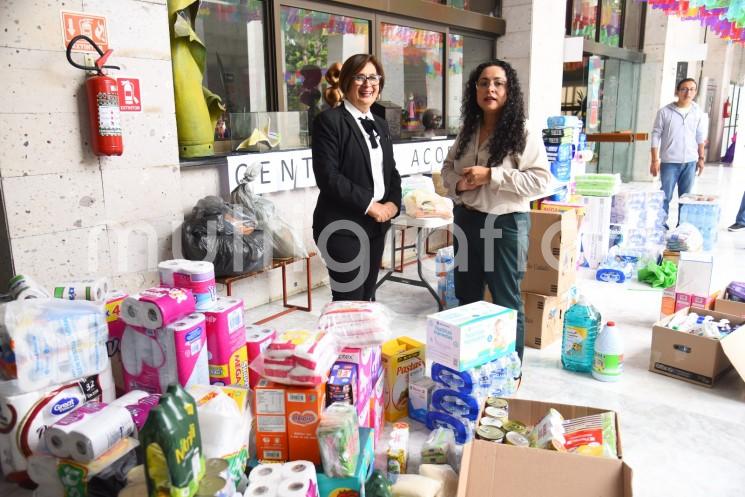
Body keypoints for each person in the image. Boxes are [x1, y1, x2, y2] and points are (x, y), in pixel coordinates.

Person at [441, 60, 551, 362]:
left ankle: (509, 370)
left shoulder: (523, 132)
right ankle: (471, 364)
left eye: (498, 83)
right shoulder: (468, 130)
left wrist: (492, 175)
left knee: (505, 300)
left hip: (505, 224)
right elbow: (447, 169)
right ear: (474, 89)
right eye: (483, 82)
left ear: (509, 89)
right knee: (466, 296)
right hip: (466, 220)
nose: (490, 88)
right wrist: (458, 186)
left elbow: (541, 180)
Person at [311, 54, 402, 301]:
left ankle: (361, 341)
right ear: (346, 83)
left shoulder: (381, 124)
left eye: (372, 77)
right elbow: (328, 177)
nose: (367, 84)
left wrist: (393, 203)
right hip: (342, 226)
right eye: (359, 77)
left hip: (376, 226)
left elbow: (391, 171)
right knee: (348, 301)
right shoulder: (329, 122)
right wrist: (371, 205)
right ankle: (343, 341)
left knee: (366, 297)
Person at [650, 78, 708, 227]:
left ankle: (682, 227)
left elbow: (700, 136)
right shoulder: (664, 112)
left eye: (692, 89)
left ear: (695, 92)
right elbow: (656, 135)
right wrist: (654, 160)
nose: (688, 92)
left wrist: (701, 158)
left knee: (686, 198)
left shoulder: (697, 112)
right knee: (665, 196)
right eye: (684, 89)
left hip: (690, 162)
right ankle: (661, 225)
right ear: (677, 91)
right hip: (670, 162)